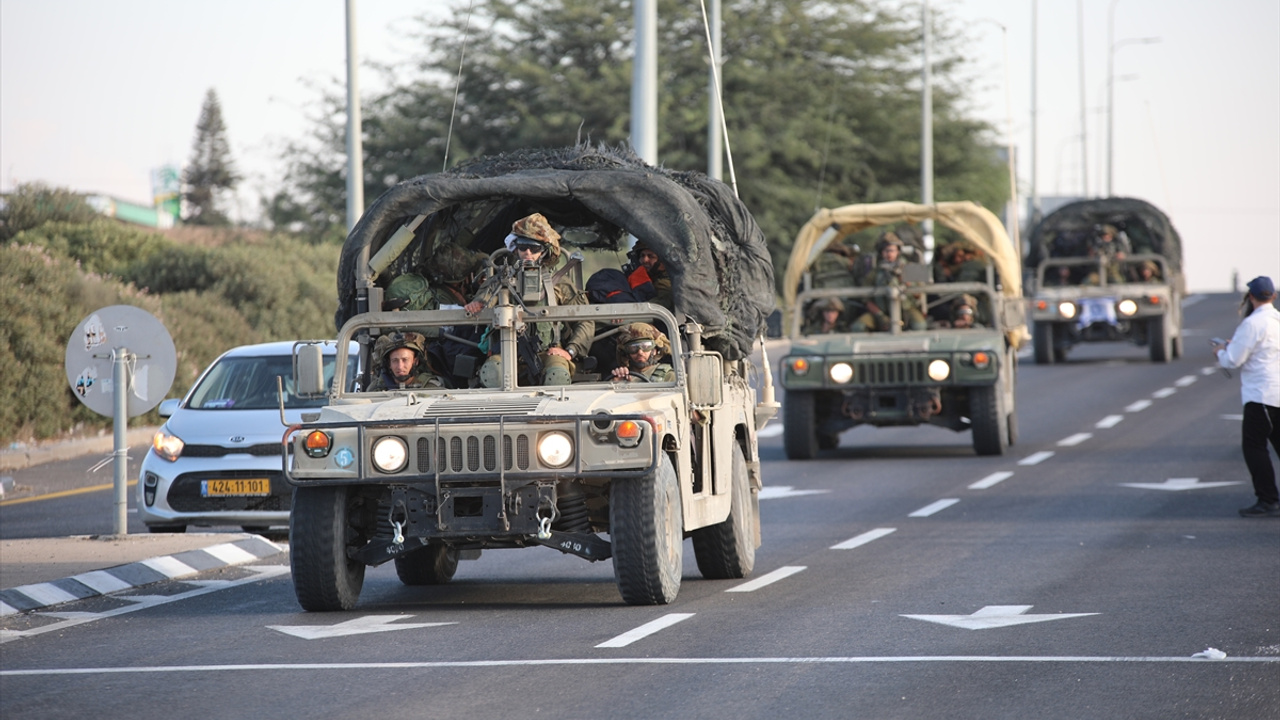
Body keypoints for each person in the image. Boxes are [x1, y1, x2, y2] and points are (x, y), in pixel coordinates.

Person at [465, 213, 595, 386]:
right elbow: (483, 299)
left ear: (544, 251)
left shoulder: (560, 284)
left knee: (557, 375)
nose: (527, 253)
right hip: (505, 352)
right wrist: (478, 304)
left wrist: (570, 350)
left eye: (534, 248)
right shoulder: (501, 280)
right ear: (515, 249)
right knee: (493, 373)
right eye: (523, 246)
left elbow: (585, 320)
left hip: (548, 352)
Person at [1212, 276, 1280, 517]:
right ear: (1272, 295)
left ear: (1251, 297)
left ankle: (1268, 499)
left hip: (1261, 396)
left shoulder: (1252, 324)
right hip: (1277, 392)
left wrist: (1221, 351)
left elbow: (1234, 359)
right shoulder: (1276, 320)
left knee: (1254, 448)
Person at [850, 232, 927, 332]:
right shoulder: (875, 272)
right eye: (885, 251)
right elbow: (866, 299)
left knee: (919, 325)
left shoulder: (911, 268)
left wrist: (906, 281)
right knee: (858, 327)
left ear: (898, 251)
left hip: (907, 309)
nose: (889, 254)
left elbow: (920, 295)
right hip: (882, 311)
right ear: (881, 253)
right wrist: (880, 316)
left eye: (892, 250)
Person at [367, 331, 445, 391]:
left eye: (405, 360)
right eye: (395, 360)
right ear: (389, 364)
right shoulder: (377, 388)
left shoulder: (432, 388)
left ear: (415, 361)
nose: (400, 366)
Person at [610, 323, 675, 382]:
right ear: (626, 353)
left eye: (645, 346)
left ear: (654, 350)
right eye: (633, 348)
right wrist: (616, 383)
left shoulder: (669, 376)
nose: (640, 352)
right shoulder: (620, 376)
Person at [622, 240, 674, 310]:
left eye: (651, 256)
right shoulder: (633, 278)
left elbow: (659, 305)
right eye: (642, 256)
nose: (645, 260)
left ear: (663, 261)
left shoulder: (669, 284)